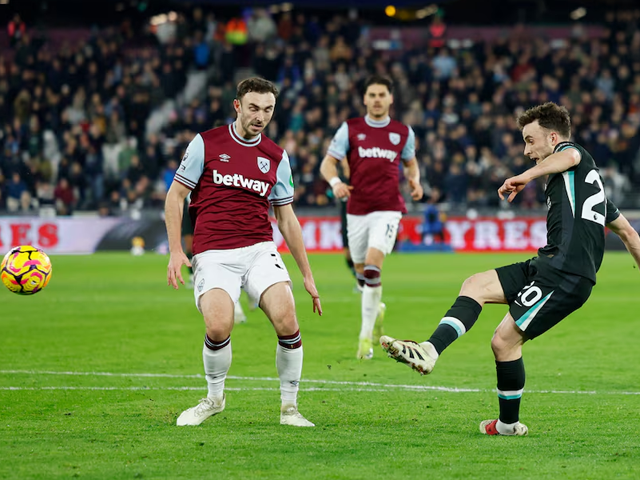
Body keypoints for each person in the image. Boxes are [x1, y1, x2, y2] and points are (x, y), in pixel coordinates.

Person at [380, 102, 640, 435]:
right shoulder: (590, 188)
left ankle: (505, 422)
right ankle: (432, 353)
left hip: (566, 273)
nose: (526, 150)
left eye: (531, 141)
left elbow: (569, 155)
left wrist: (526, 176)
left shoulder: (574, 156)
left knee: (504, 340)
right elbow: (630, 234)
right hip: (548, 264)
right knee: (476, 285)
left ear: (553, 137)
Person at [165, 77, 322, 428]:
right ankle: (214, 398)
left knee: (287, 318)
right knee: (219, 326)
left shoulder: (276, 157)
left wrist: (307, 275)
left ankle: (289, 408)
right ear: (237, 106)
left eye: (268, 110)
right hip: (213, 252)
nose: (260, 116)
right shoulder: (206, 143)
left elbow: (286, 217)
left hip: (258, 249)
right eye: (253, 108)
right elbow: (175, 196)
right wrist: (176, 250)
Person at [320, 74, 423, 360]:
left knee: (373, 269)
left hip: (388, 209)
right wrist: (335, 183)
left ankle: (365, 339)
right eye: (372, 95)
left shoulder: (403, 132)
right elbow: (327, 164)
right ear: (365, 99)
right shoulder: (350, 129)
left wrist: (415, 181)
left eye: (382, 95)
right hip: (356, 209)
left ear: (390, 98)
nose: (377, 99)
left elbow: (411, 164)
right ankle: (376, 310)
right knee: (360, 271)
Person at [183, 195, 249, 323]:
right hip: (190, 210)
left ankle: (243, 291)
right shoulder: (188, 175)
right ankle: (192, 276)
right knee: (190, 246)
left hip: (208, 211)